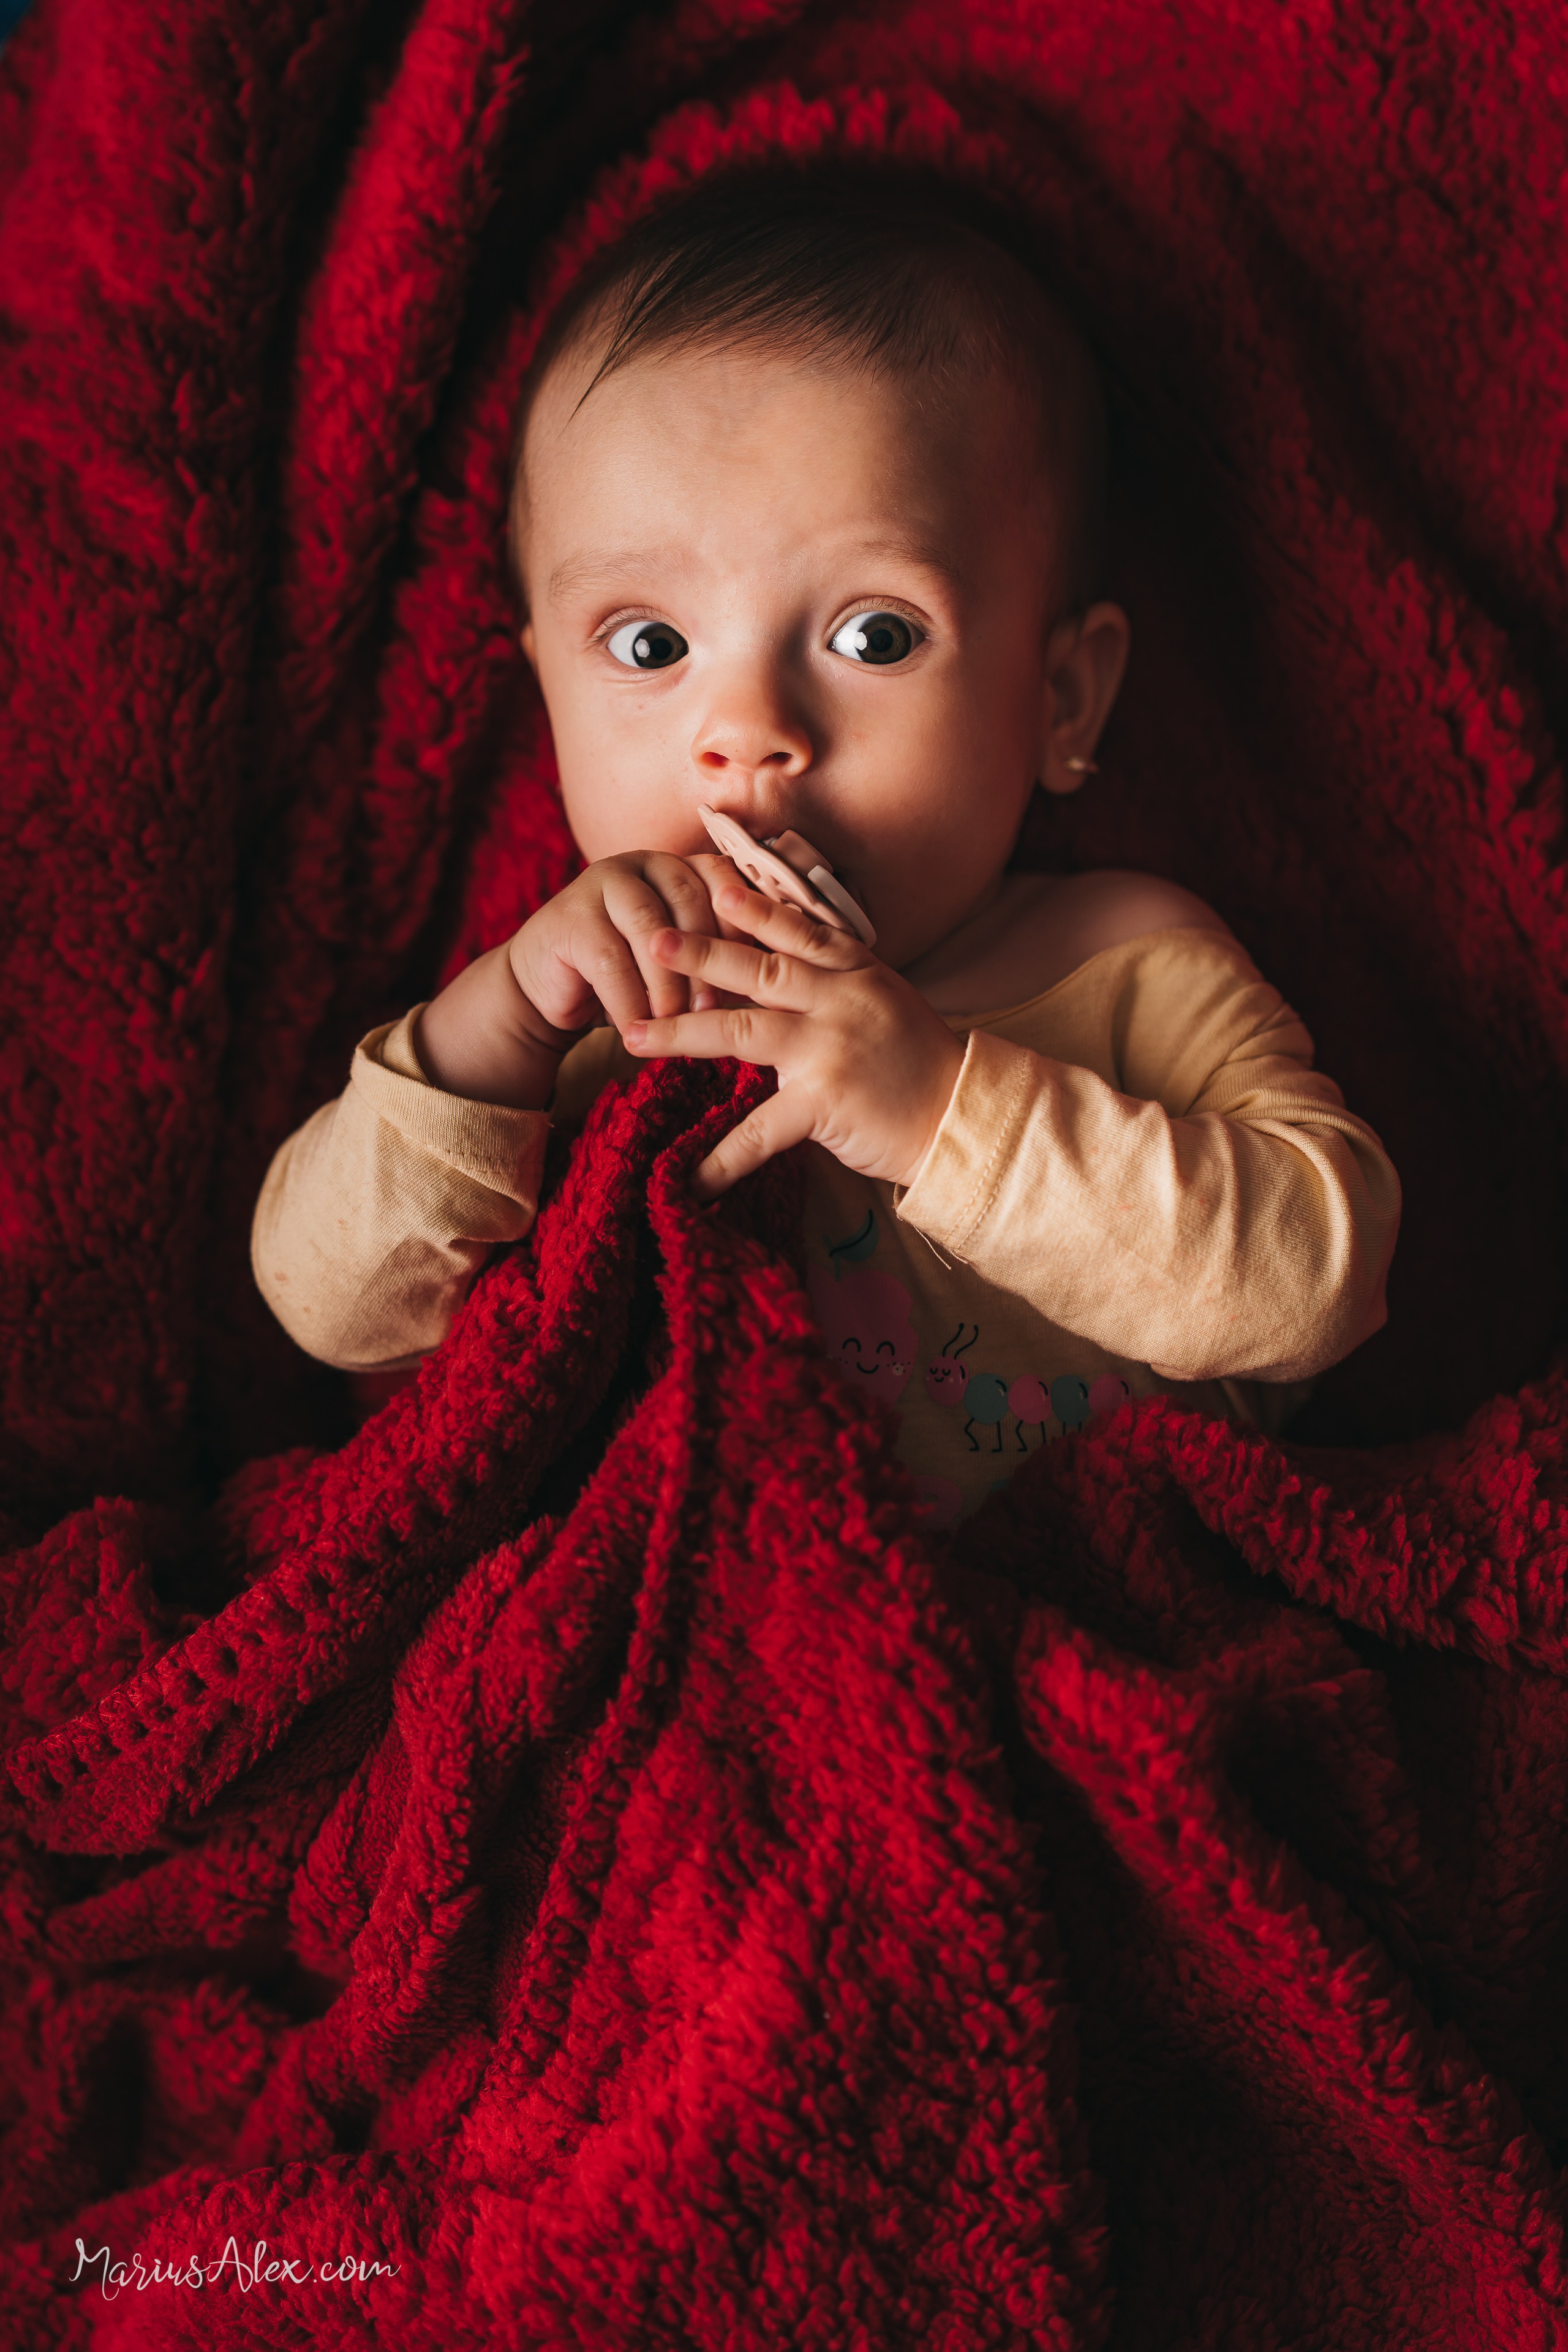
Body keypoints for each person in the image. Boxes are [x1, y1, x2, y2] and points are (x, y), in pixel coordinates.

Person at [252, 164, 1401, 1527]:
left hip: (1063, 1598)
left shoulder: (1117, 956)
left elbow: (1318, 1286)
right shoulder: (591, 1007)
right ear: (546, 698)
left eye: (873, 636)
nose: (744, 730)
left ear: (1061, 701)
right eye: (649, 646)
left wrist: (937, 1111)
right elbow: (328, 1309)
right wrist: (484, 1036)